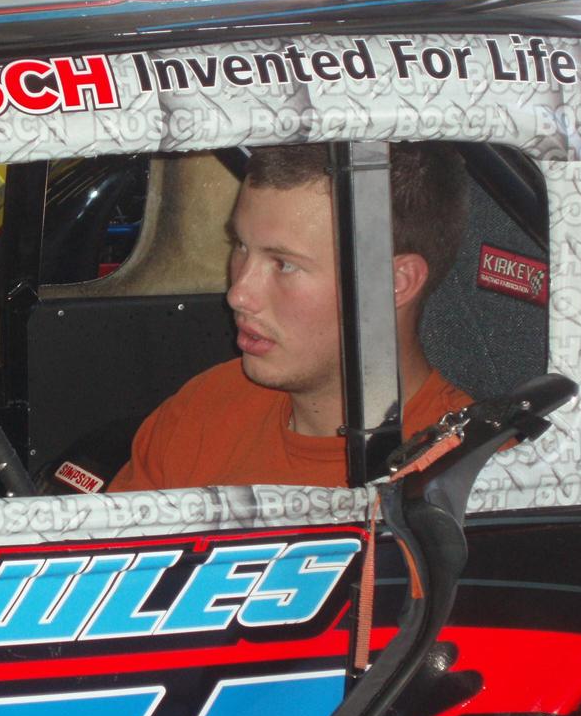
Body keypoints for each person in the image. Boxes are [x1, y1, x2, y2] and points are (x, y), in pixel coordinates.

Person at [108, 142, 472, 492]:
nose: (238, 294)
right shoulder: (202, 410)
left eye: (284, 264)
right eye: (241, 246)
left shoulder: (469, 477)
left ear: (393, 283)